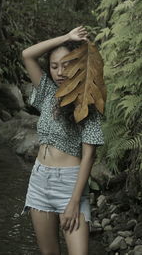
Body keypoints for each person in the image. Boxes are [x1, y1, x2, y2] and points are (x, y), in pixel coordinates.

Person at [21, 26, 104, 255]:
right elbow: (28, 54)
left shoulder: (87, 101)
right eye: (54, 66)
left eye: (66, 65)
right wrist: (66, 37)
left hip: (70, 184)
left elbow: (89, 155)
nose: (59, 72)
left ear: (78, 64)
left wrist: (75, 202)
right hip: (39, 180)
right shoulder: (48, 92)